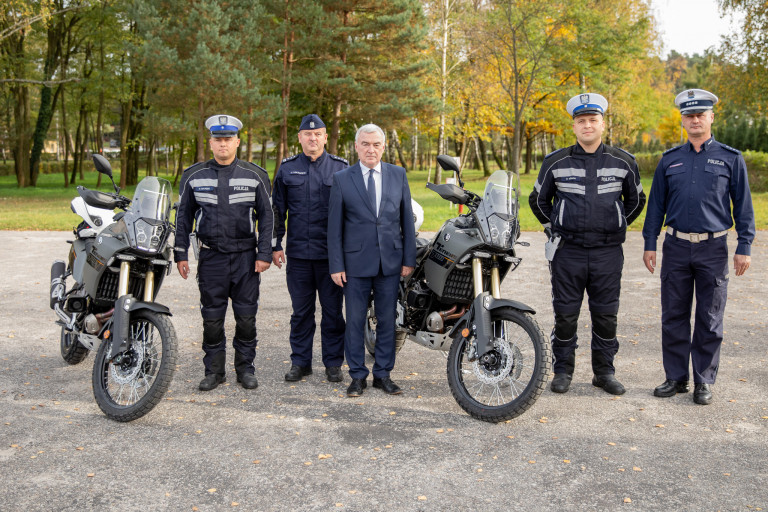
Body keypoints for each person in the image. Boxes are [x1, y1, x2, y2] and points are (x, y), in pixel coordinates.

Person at [642, 89, 755, 405]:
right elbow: (656, 207)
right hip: (676, 246)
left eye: (700, 114)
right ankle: (676, 378)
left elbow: (744, 206)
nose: (694, 119)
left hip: (713, 248)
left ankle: (703, 381)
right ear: (683, 119)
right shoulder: (670, 160)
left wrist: (744, 245)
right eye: (689, 115)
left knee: (709, 316)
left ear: (711, 117)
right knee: (673, 315)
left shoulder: (731, 158)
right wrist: (650, 243)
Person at [529, 93, 646, 396]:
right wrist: (555, 230)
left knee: (606, 315)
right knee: (565, 315)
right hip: (568, 253)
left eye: (593, 120)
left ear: (602, 124)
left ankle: (604, 373)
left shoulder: (623, 161)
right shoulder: (556, 161)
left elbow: (636, 201)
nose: (587, 126)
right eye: (581, 121)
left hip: (608, 253)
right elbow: (538, 201)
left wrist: (615, 223)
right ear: (574, 127)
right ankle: (563, 371)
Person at [175, 114, 273, 391]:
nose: (223, 145)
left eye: (228, 140)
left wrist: (264, 254)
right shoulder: (193, 176)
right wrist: (180, 254)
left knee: (246, 318)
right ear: (211, 143)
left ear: (237, 142)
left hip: (245, 259)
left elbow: (268, 218)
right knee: (212, 319)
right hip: (211, 259)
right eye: (218, 140)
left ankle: (246, 370)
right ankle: (214, 372)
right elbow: (183, 218)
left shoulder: (255, 175)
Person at [327, 124, 417, 397]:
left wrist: (408, 259)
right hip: (354, 264)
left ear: (383, 146)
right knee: (355, 320)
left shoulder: (398, 174)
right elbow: (334, 228)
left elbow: (406, 221)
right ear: (356, 146)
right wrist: (336, 264)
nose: (371, 149)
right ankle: (357, 376)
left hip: (390, 262)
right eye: (365, 143)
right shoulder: (343, 179)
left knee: (388, 320)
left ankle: (383, 374)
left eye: (376, 144)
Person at [272, 114, 348, 384]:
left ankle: (333, 363)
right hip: (300, 257)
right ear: (300, 138)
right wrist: (275, 244)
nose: (312, 138)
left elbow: (350, 214)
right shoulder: (287, 169)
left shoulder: (341, 169)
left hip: (331, 259)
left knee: (332, 313)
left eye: (318, 134)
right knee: (301, 313)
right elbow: (277, 210)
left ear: (325, 137)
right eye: (307, 134)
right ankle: (300, 362)